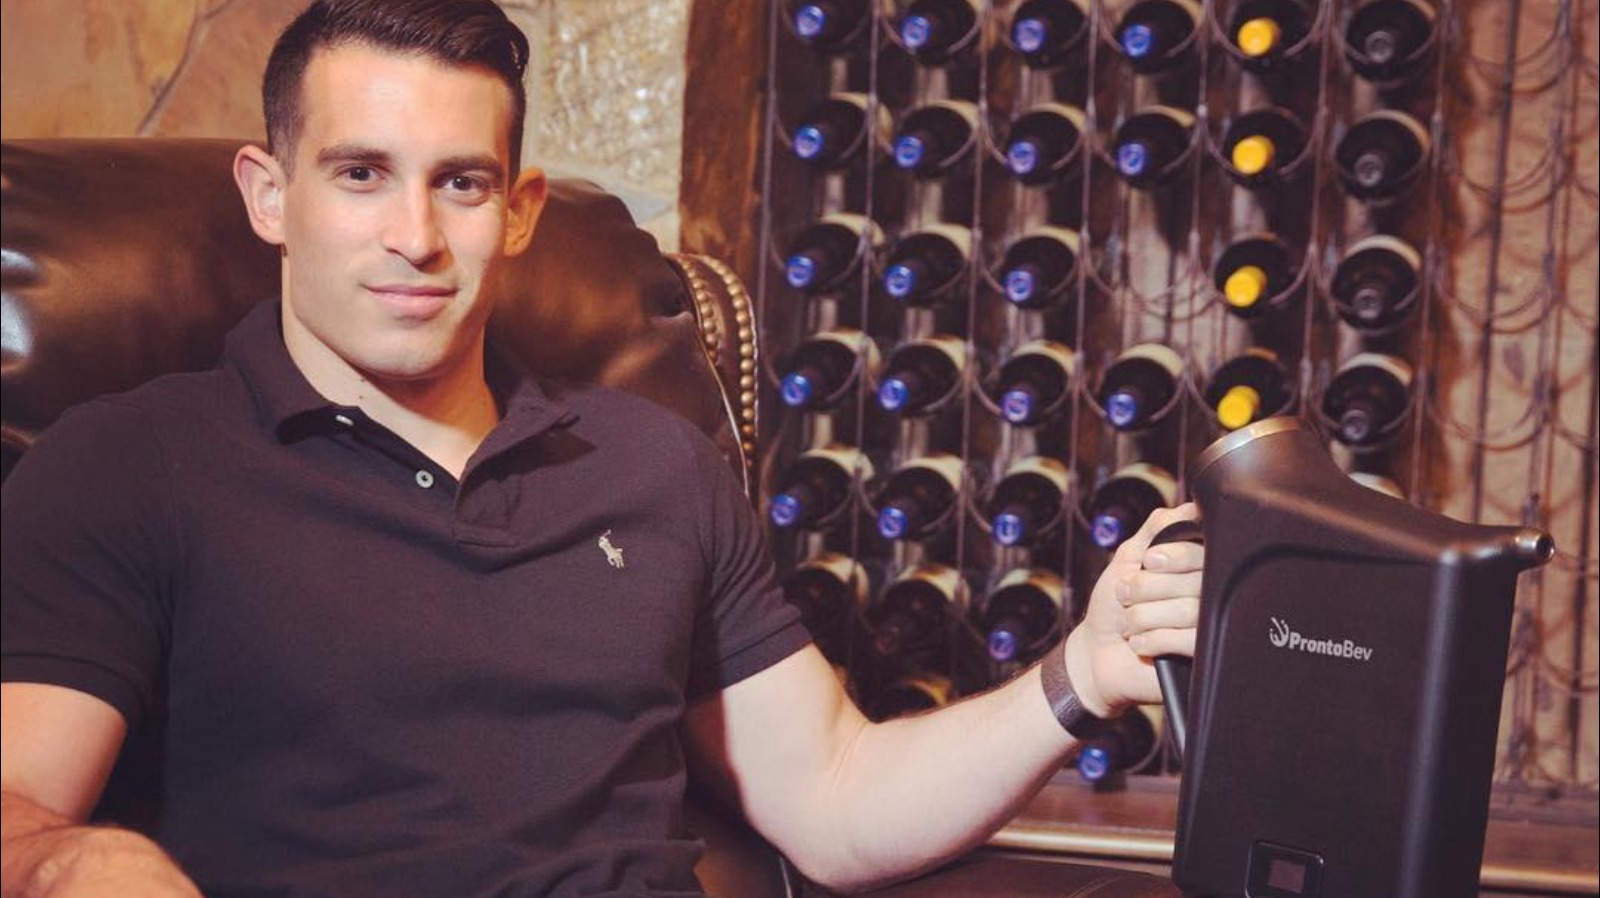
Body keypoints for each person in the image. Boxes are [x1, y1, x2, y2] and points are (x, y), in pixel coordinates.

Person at [0, 1, 1203, 895]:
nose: (414, 234)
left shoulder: (651, 464)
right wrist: (78, 862)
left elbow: (835, 795)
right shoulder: (129, 466)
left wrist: (1080, 671)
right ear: (270, 195)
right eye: (360, 174)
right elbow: (15, 809)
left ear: (518, 211)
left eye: (460, 183)